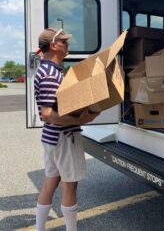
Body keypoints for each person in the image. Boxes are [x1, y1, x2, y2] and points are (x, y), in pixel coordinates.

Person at [34, 27, 99, 231]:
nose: (68, 45)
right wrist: (82, 118)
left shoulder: (49, 70)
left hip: (52, 138)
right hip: (63, 137)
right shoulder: (50, 73)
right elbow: (48, 114)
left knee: (49, 183)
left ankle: (40, 229)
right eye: (64, 42)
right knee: (70, 185)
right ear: (54, 46)